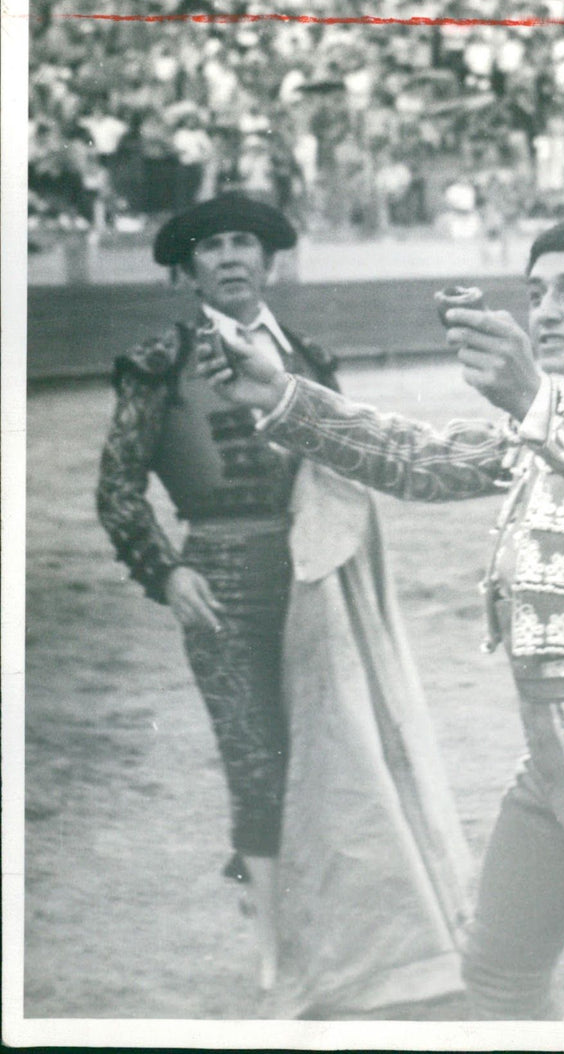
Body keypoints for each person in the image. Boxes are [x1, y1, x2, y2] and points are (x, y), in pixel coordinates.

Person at [197, 211, 564, 1022]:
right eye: (536, 293)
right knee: (498, 977)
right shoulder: (557, 411)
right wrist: (286, 397)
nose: (546, 313)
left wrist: (535, 398)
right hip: (550, 758)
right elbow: (423, 460)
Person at [96, 191, 471, 1014]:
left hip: (316, 569)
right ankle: (273, 947)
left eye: (244, 243)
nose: (230, 257)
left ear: (268, 262)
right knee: (256, 759)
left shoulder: (307, 355)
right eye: (211, 246)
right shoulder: (161, 358)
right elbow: (119, 489)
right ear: (186, 269)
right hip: (221, 571)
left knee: (332, 750)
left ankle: (326, 928)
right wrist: (165, 572)